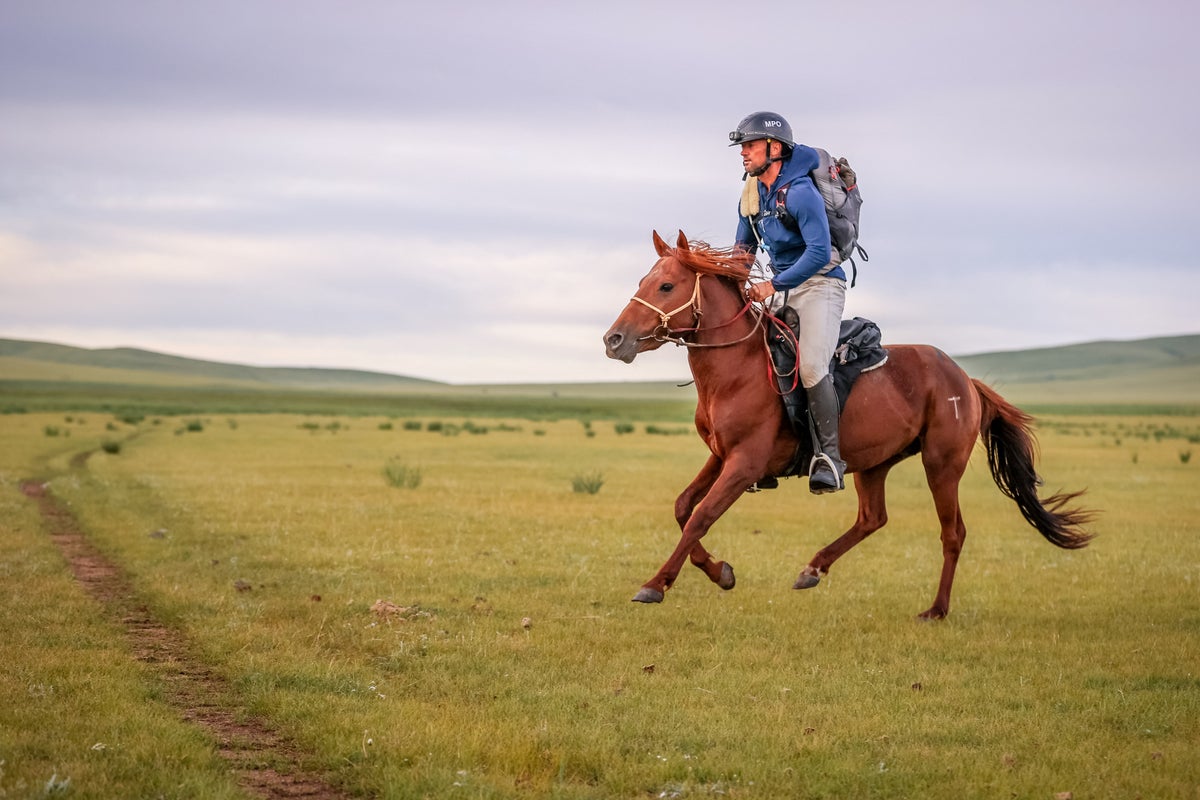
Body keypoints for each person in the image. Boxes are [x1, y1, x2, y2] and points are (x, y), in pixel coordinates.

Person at [729, 111, 846, 494]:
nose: (743, 153)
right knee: (758, 361)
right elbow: (743, 251)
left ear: (774, 148)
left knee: (811, 367)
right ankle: (762, 457)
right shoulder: (751, 192)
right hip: (779, 289)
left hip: (820, 285)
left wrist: (772, 284)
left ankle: (829, 458)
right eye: (742, 146)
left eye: (750, 145)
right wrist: (728, 283)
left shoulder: (800, 192)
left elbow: (817, 251)